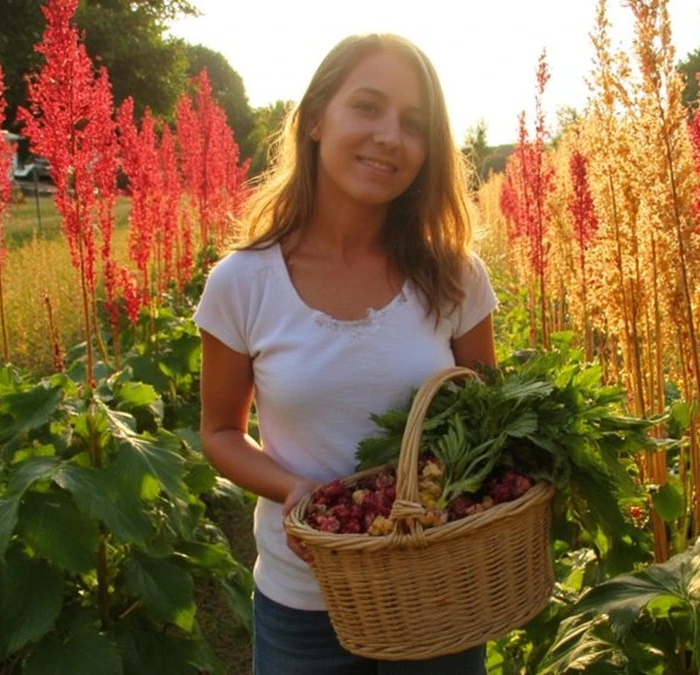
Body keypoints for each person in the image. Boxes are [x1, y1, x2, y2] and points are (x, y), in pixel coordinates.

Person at [194, 32, 497, 675]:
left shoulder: (453, 277)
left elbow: (488, 422)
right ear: (313, 120)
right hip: (304, 598)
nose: (390, 136)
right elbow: (219, 433)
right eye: (367, 107)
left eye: (414, 124)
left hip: (437, 589)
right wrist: (299, 491)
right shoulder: (242, 284)